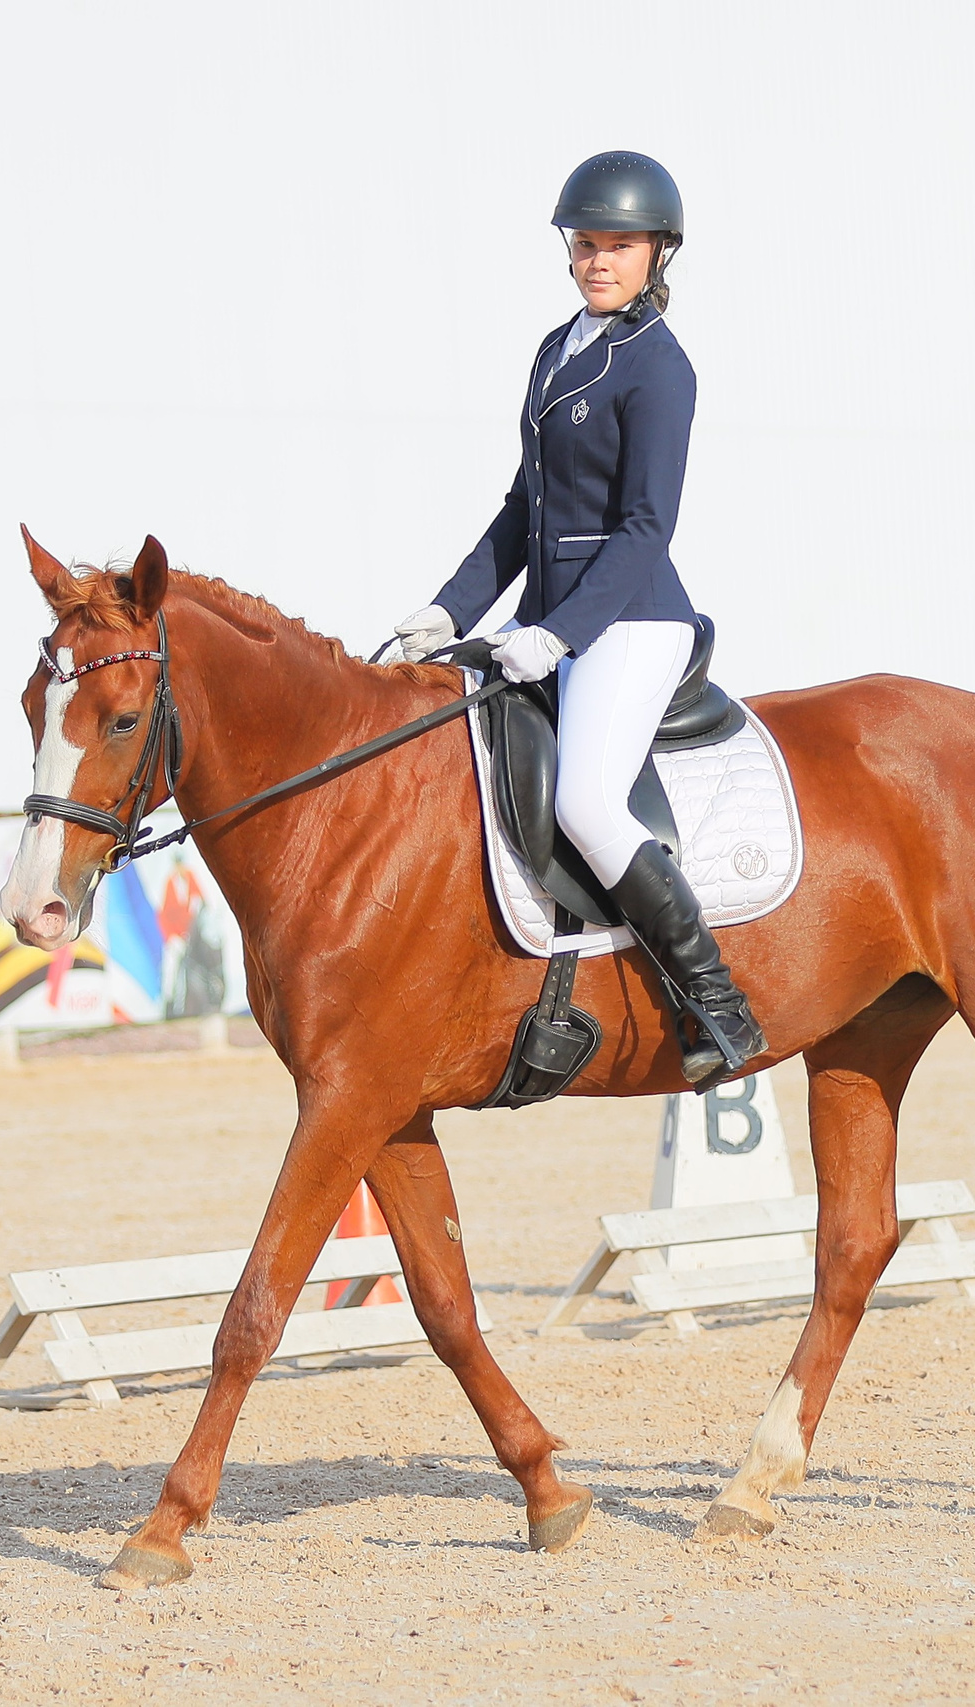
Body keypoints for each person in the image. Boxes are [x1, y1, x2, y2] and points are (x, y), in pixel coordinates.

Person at [388, 150, 766, 1087]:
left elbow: (644, 531)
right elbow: (526, 508)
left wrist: (559, 634)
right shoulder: (556, 349)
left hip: (629, 620)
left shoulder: (659, 369)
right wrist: (448, 609)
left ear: (657, 255)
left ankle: (717, 1005)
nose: (600, 261)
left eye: (620, 247)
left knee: (587, 801)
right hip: (541, 619)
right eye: (587, 244)